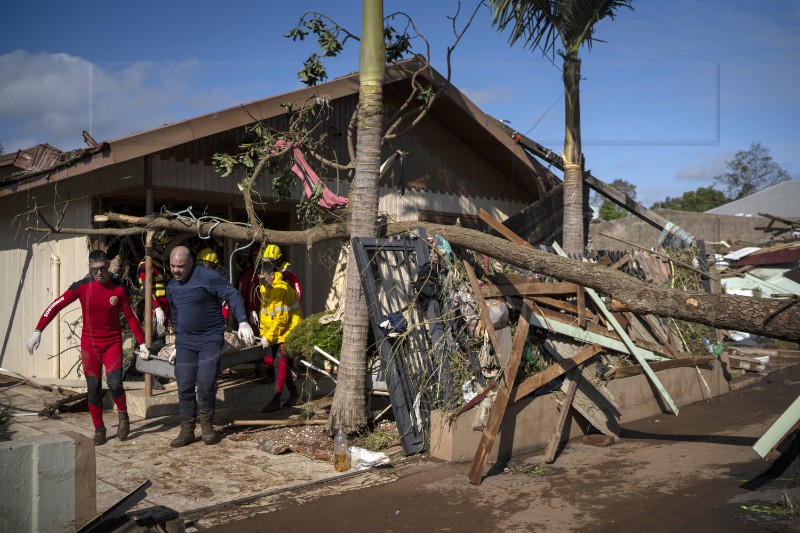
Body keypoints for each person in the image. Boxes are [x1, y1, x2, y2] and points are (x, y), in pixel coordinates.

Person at [26, 250, 150, 446]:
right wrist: (38, 330)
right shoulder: (82, 287)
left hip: (112, 343)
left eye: (102, 269)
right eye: (94, 270)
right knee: (93, 388)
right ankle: (99, 429)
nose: (99, 273)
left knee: (115, 383)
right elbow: (56, 305)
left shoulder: (119, 289)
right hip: (89, 345)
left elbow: (131, 317)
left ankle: (123, 416)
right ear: (90, 268)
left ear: (108, 266)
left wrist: (142, 343)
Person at [166, 246, 254, 447]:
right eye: (172, 266)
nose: (176, 270)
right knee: (185, 385)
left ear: (190, 263)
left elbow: (232, 294)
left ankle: (207, 426)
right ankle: (187, 429)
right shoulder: (172, 286)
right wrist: (178, 343)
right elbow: (176, 316)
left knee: (205, 383)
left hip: (209, 340)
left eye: (180, 266)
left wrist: (242, 321)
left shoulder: (207, 276)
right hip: (186, 342)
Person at [258, 258, 303, 412]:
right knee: (283, 364)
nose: (262, 282)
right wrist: (263, 333)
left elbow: (282, 319)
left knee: (279, 363)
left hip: (290, 331)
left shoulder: (280, 289)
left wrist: (268, 337)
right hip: (278, 333)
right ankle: (294, 394)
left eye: (264, 278)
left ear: (272, 275)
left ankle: (276, 399)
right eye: (260, 279)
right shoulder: (265, 289)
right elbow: (264, 314)